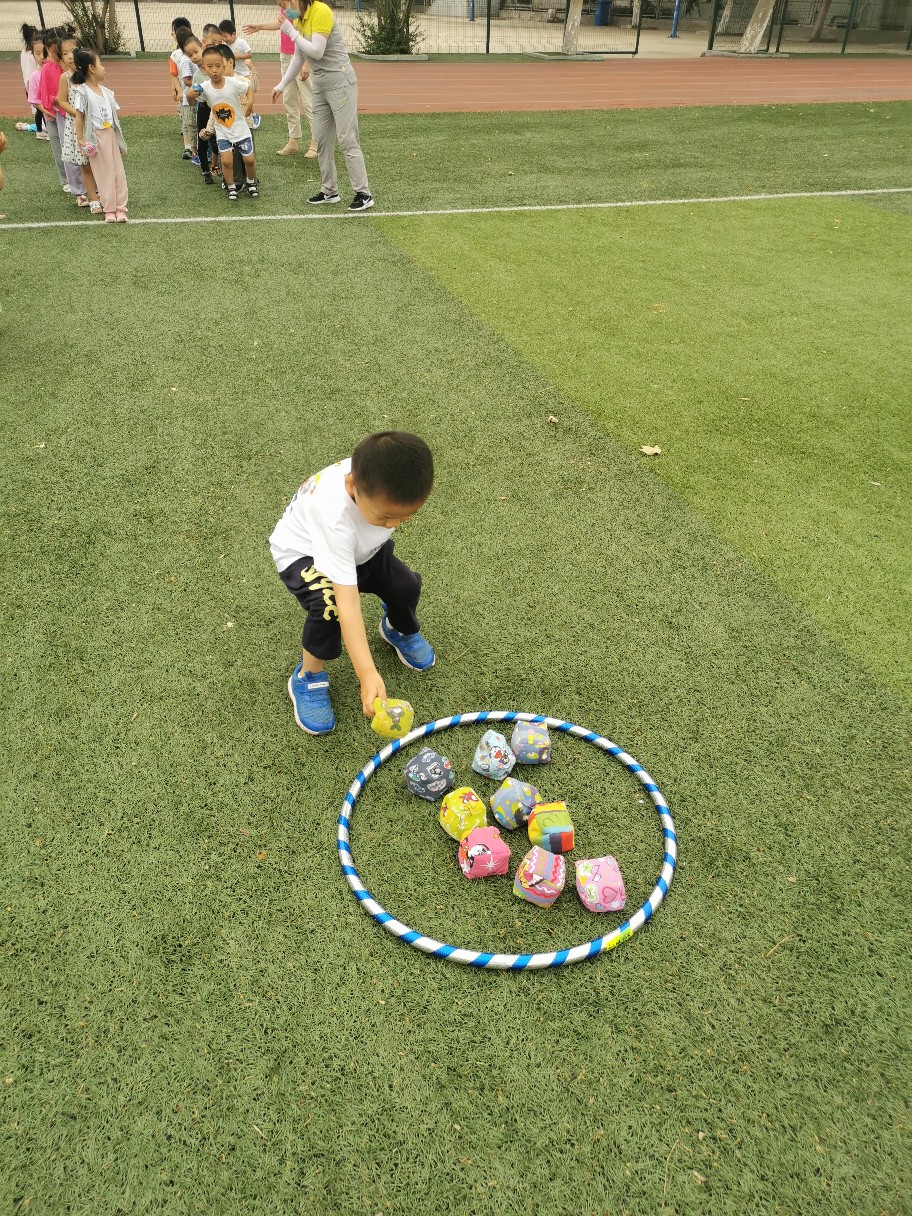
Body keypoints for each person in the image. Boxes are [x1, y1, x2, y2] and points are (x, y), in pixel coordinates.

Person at [269, 432, 436, 736]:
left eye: (405, 517)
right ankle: (308, 676)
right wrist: (367, 672)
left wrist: (381, 519)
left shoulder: (382, 475)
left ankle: (396, 627)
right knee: (329, 608)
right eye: (386, 516)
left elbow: (382, 519)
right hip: (306, 554)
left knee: (405, 586)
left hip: (360, 550)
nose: (393, 524)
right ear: (351, 486)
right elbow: (348, 603)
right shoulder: (333, 515)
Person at [244, 3, 373, 211]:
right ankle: (329, 191)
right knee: (322, 139)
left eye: (284, 3)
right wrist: (281, 85)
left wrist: (291, 32)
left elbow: (317, 51)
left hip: (340, 83)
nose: (283, 9)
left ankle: (363, 193)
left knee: (347, 139)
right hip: (320, 86)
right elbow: (299, 56)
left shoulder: (321, 11)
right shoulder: (299, 18)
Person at [191, 44, 258, 202]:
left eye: (218, 66)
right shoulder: (207, 87)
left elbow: (252, 87)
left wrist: (252, 70)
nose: (215, 70)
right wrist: (209, 129)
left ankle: (251, 181)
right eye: (210, 66)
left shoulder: (237, 81)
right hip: (224, 130)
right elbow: (215, 111)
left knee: (248, 159)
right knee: (228, 161)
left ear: (228, 63)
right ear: (205, 68)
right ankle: (232, 185)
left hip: (243, 126)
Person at [72, 47, 128, 223]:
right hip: (96, 138)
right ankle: (109, 209)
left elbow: (113, 116)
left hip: (110, 134)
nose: (104, 68)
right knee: (104, 174)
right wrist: (80, 140)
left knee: (118, 172)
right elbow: (79, 117)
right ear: (91, 68)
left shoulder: (106, 92)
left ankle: (121, 208)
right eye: (100, 64)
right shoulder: (83, 92)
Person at [57, 36, 98, 210]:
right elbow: (62, 101)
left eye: (73, 52)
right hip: (75, 126)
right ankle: (79, 192)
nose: (70, 56)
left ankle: (96, 190)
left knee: (94, 158)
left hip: (91, 124)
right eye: (65, 53)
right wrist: (78, 114)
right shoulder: (65, 78)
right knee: (77, 161)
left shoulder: (89, 75)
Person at [275, 17, 317, 158]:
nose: (281, 7)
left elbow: (309, 34)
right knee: (289, 99)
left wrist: (306, 63)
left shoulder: (302, 9)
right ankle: (293, 140)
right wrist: (260, 26)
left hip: (301, 56)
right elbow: (281, 23)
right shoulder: (286, 10)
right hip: (286, 54)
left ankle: (316, 141)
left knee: (309, 101)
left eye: (282, 5)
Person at [37, 27, 72, 193]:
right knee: (60, 149)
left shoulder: (71, 65)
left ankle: (81, 178)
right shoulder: (47, 68)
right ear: (48, 49)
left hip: (72, 114)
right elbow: (44, 97)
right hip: (55, 115)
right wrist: (57, 100)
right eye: (54, 52)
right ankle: (65, 179)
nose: (58, 55)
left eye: (60, 51)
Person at [217, 18, 260, 128]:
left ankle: (254, 115)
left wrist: (237, 56)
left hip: (245, 74)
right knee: (238, 97)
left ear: (233, 34)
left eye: (225, 36)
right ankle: (241, 115)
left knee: (246, 97)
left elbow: (249, 54)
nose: (224, 39)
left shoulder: (241, 42)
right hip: (234, 75)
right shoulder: (226, 45)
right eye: (222, 37)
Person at [20, 24, 45, 137]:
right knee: (40, 110)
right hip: (35, 84)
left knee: (38, 111)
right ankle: (37, 129)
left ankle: (37, 129)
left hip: (28, 85)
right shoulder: (32, 54)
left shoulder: (24, 52)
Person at [26, 34, 49, 141]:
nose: (42, 56)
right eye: (37, 53)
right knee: (40, 112)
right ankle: (40, 130)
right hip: (43, 106)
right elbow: (34, 98)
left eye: (45, 52)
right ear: (33, 55)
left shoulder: (58, 71)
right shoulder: (35, 75)